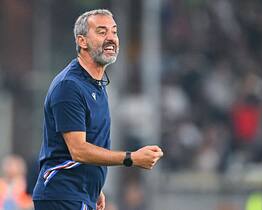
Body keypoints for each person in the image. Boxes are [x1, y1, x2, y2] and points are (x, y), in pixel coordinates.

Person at [32, 9, 163, 210]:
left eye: (114, 32)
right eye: (102, 32)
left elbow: (88, 144)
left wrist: (95, 187)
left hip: (80, 193)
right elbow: (78, 150)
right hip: (63, 195)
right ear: (82, 41)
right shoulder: (69, 86)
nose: (111, 38)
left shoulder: (96, 85)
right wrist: (131, 158)